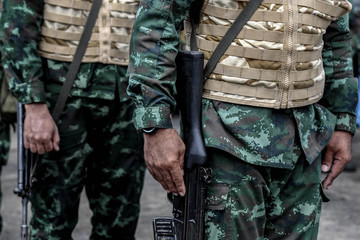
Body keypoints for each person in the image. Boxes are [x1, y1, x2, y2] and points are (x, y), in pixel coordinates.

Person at [127, 0, 357, 239]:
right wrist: (155, 125)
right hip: (223, 137)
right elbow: (157, 22)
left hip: (305, 140)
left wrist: (342, 120)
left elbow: (336, 38)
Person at [0, 0, 145, 239]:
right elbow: (17, 27)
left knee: (120, 221)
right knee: (53, 222)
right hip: (61, 100)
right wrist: (34, 106)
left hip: (126, 99)